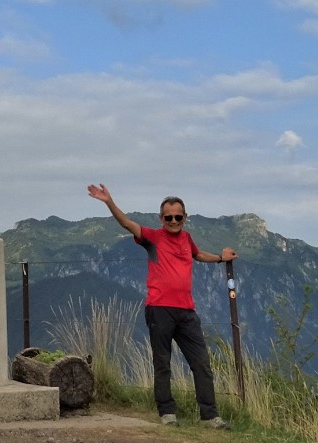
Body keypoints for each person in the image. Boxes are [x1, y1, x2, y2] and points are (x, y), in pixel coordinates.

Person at [86, 183, 236, 429]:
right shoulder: (153, 238)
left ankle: (210, 416)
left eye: (178, 217)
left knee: (201, 363)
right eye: (169, 217)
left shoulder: (187, 239)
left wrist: (221, 258)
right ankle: (167, 413)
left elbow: (197, 255)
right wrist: (109, 202)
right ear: (161, 218)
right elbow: (126, 223)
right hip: (159, 309)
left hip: (187, 311)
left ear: (185, 218)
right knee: (162, 362)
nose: (174, 221)